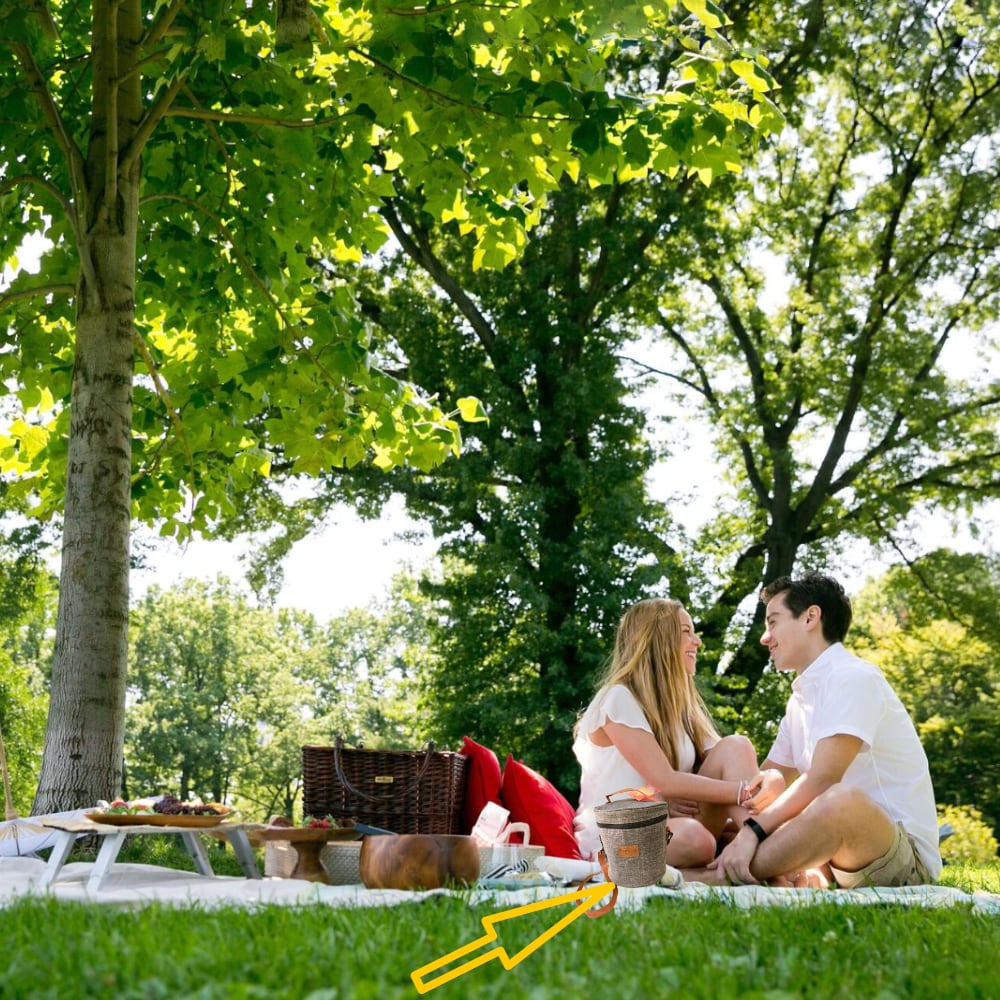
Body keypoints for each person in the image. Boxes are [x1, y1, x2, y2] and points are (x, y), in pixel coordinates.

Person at [702, 572, 942, 888]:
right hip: (836, 854)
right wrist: (736, 819)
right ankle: (733, 866)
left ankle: (707, 876)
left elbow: (823, 778)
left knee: (840, 799)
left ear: (810, 617)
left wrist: (752, 832)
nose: (764, 637)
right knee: (742, 765)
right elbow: (764, 784)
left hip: (900, 858)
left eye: (773, 622)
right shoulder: (800, 700)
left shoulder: (853, 677)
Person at [573, 597, 785, 867]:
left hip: (668, 826)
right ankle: (763, 853)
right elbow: (666, 781)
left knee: (737, 745)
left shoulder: (683, 710)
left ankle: (758, 838)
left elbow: (731, 763)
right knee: (695, 838)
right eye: (686, 632)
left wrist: (770, 779)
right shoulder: (617, 698)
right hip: (615, 837)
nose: (697, 642)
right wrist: (745, 792)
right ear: (657, 639)